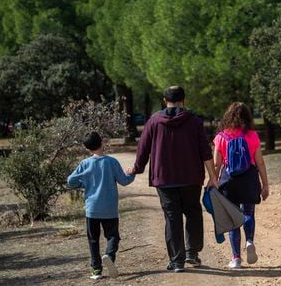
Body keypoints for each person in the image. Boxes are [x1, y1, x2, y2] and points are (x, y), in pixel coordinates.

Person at [127, 86, 218, 273]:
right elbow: (205, 151)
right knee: (193, 213)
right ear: (183, 100)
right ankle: (192, 253)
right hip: (191, 178)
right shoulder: (194, 121)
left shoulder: (153, 122)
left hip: (164, 179)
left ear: (164, 100)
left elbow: (142, 149)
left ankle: (177, 262)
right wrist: (213, 177)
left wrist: (136, 169)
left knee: (172, 218)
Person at [67, 131, 135, 280]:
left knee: (93, 240)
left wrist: (82, 182)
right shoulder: (112, 162)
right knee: (113, 236)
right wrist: (132, 173)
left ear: (87, 148)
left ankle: (96, 270)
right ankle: (109, 255)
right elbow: (124, 181)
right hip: (109, 209)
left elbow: (70, 181)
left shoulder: (85, 164)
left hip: (92, 209)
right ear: (102, 143)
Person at [213, 102, 269, 269]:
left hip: (229, 181)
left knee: (233, 218)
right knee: (249, 212)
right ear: (247, 116)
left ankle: (236, 258)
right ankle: (250, 241)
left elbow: (217, 164)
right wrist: (265, 185)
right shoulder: (252, 135)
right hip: (249, 178)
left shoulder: (221, 137)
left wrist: (213, 182)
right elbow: (260, 162)